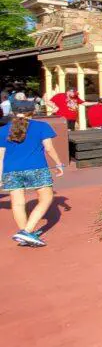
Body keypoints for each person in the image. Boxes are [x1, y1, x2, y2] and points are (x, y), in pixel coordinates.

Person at [1, 100, 64, 247]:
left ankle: (24, 233)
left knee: (17, 203)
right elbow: (48, 148)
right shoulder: (41, 126)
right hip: (36, 167)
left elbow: (0, 156)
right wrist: (58, 163)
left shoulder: (3, 130)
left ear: (13, 111)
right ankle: (26, 232)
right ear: (33, 111)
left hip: (10, 170)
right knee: (47, 198)